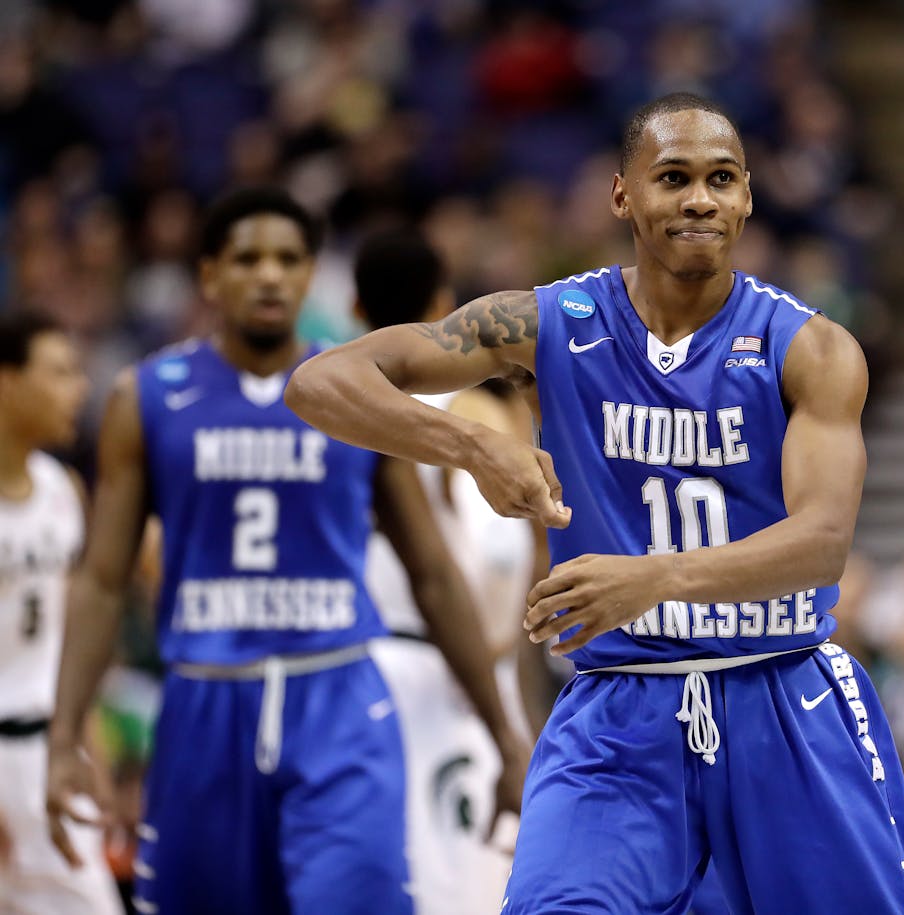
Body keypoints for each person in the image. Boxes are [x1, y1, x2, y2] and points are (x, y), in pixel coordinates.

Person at [286, 92, 904, 914]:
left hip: (781, 693)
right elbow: (321, 382)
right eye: (674, 177)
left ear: (746, 198)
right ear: (623, 194)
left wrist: (653, 578)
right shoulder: (551, 321)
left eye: (722, 179)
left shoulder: (809, 346)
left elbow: (822, 542)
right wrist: (474, 443)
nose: (701, 198)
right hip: (621, 709)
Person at [44, 187, 528, 915]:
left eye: (287, 259)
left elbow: (432, 572)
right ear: (209, 275)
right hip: (206, 694)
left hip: (336, 693)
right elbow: (104, 579)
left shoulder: (355, 393)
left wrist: (505, 734)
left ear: (310, 277)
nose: (268, 275)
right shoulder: (146, 394)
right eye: (247, 259)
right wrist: (62, 737)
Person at [354, 228, 537, 915]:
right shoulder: (480, 411)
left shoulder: (343, 401)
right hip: (456, 669)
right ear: (445, 303)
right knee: (472, 887)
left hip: (367, 663)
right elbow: (495, 557)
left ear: (353, 308)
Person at [0, 312, 123, 914]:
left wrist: (90, 751)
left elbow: (69, 639)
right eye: (60, 372)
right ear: (6, 380)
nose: (79, 388)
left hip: (46, 753)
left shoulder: (63, 489)